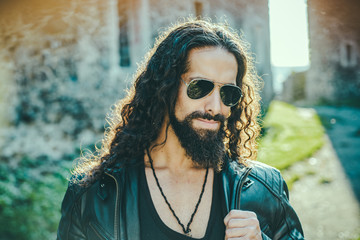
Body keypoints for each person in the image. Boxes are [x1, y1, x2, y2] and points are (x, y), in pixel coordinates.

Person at [57, 19, 304, 240]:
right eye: (200, 87)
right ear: (165, 87)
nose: (215, 107)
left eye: (228, 93)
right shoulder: (93, 195)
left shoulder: (265, 189)